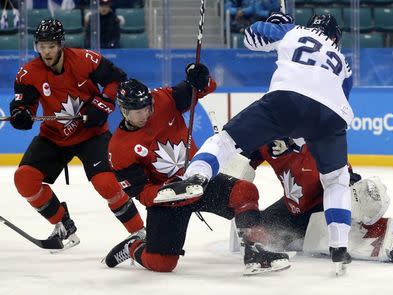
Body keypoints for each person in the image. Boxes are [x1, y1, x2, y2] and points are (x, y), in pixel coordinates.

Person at [156, 13, 354, 272]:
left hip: (287, 100)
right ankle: (339, 247)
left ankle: (196, 177)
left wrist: (276, 25)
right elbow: (338, 100)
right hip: (332, 116)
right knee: (337, 180)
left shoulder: (293, 31)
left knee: (226, 141)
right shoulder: (344, 65)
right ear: (336, 38)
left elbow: (252, 37)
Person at [103, 69, 290, 275]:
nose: (145, 114)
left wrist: (200, 77)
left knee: (244, 191)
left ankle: (256, 252)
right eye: (138, 112)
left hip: (198, 182)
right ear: (123, 111)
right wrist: (171, 191)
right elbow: (142, 193)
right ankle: (134, 247)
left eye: (147, 108)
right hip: (167, 202)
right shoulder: (118, 148)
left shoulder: (163, 99)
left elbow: (207, 87)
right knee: (162, 264)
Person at [9, 19, 144, 250]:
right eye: (42, 46)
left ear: (61, 44)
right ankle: (62, 223)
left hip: (92, 134)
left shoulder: (84, 60)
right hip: (53, 137)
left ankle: (140, 233)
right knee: (24, 179)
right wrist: (19, 114)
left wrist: (102, 106)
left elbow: (118, 80)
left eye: (51, 46)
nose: (47, 51)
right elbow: (24, 105)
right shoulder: (28, 73)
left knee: (107, 184)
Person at [230, 139, 393, 262]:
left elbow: (345, 177)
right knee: (249, 236)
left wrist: (355, 197)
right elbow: (242, 166)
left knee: (366, 192)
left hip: (323, 205)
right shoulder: (265, 139)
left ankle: (383, 234)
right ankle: (305, 236)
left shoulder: (320, 140)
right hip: (291, 209)